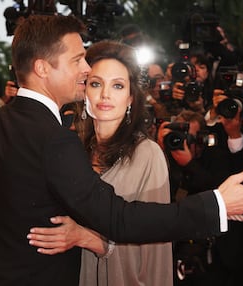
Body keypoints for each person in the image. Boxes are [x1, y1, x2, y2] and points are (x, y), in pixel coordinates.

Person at [0, 15, 243, 286]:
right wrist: (215, 204)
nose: (86, 68)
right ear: (43, 68)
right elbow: (120, 219)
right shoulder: (55, 139)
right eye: (77, 59)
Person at [28, 40, 173, 286]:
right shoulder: (72, 150)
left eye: (117, 85)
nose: (105, 94)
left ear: (130, 99)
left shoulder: (148, 155)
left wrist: (84, 238)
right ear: (84, 91)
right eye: (96, 84)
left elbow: (152, 244)